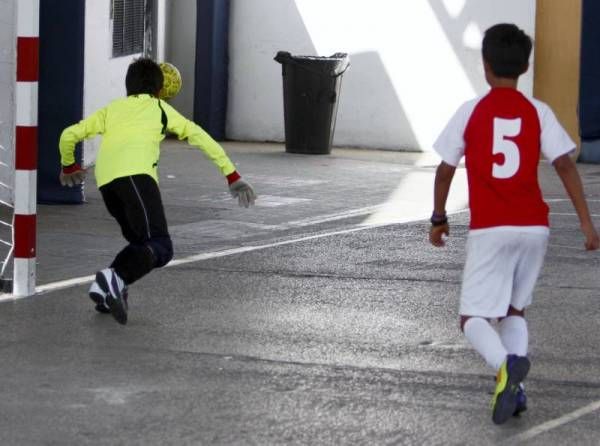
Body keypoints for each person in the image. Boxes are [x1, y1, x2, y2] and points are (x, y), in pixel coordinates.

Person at [428, 23, 599, 424]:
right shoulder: (538, 111)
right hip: (534, 229)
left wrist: (438, 218)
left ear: (485, 66)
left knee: (472, 319)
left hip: (492, 228)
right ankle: (515, 390)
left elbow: (444, 170)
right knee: (513, 311)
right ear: (525, 66)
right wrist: (587, 225)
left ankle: (507, 367)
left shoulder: (471, 111)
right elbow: (564, 166)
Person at [58, 58, 256, 326]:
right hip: (137, 178)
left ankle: (104, 289)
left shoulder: (112, 109)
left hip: (106, 184)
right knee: (160, 246)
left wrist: (69, 164)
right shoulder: (160, 108)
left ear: (127, 86)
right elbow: (200, 136)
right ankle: (115, 279)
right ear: (160, 89)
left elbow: (69, 134)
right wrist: (231, 174)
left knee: (141, 244)